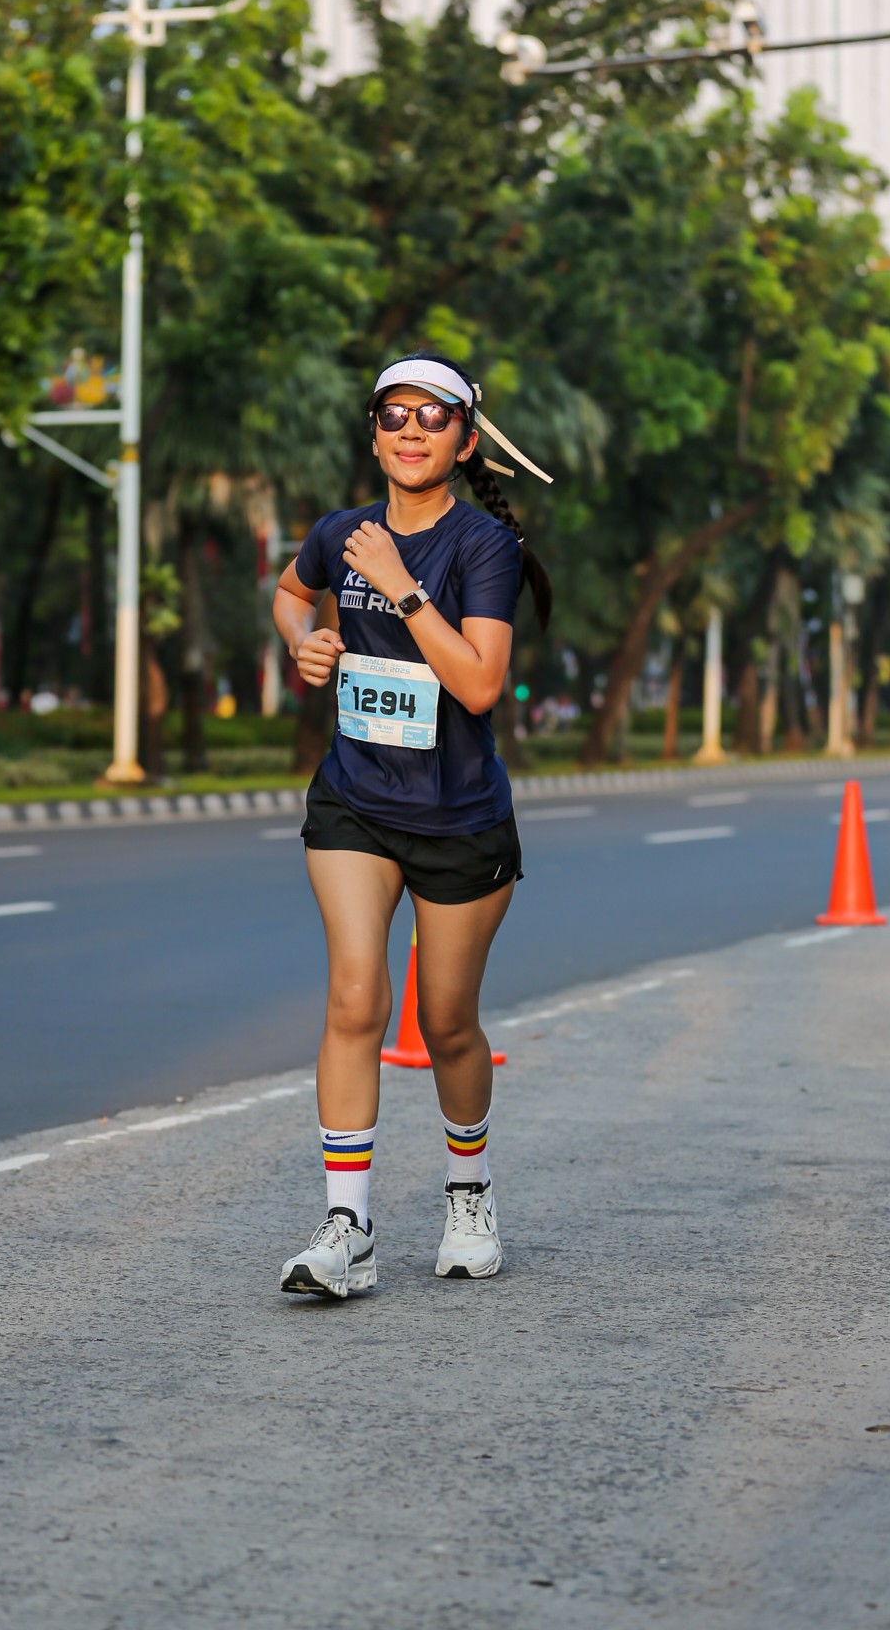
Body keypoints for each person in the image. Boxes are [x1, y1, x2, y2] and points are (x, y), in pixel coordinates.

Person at [272, 350, 553, 1298]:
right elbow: (290, 591)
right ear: (374, 434)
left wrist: (399, 587)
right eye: (393, 414)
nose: (410, 430)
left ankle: (469, 1195)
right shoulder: (340, 532)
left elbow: (478, 684)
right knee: (356, 998)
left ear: (464, 441)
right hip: (355, 800)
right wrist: (305, 642)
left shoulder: (483, 547)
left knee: (446, 1022)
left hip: (460, 815)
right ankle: (346, 1226)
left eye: (432, 417)